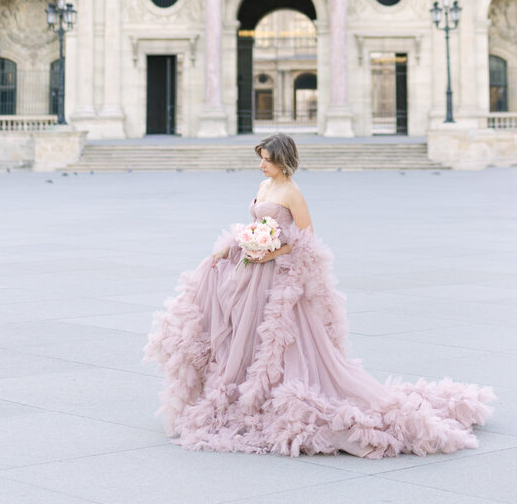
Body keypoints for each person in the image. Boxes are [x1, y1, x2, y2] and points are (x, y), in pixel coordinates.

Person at [144, 132, 493, 458]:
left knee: (276, 340)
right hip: (252, 271)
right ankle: (243, 387)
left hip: (275, 274)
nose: (261, 164)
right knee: (240, 328)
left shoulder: (292, 193)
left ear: (283, 162)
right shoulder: (265, 184)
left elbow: (305, 240)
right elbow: (255, 225)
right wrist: (236, 245)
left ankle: (274, 393)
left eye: (266, 159)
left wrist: (268, 253)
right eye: (261, 159)